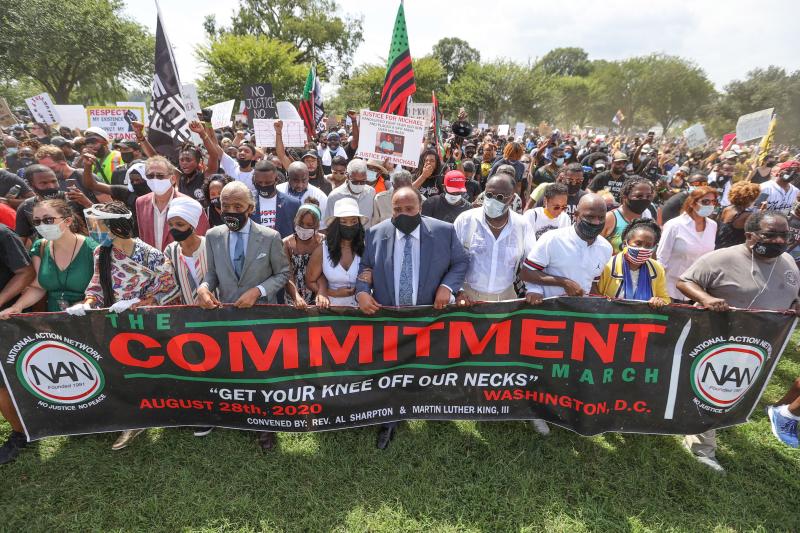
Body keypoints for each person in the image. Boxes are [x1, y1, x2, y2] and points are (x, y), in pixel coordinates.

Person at [677, 211, 800, 471]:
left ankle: (716, 422)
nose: (779, 241)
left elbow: (790, 296)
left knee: (732, 391)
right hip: (717, 342)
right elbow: (685, 281)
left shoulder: (788, 262)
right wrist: (707, 299)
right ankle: (701, 447)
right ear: (750, 236)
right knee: (710, 391)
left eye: (784, 235)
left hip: (758, 347)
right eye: (771, 235)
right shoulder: (722, 258)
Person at [355, 187, 469, 449]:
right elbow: (367, 267)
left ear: (421, 207)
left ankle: (431, 409)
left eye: (409, 209)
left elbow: (460, 262)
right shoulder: (376, 232)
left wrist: (448, 287)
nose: (403, 214)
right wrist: (362, 291)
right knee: (393, 370)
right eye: (397, 209)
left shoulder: (443, 231)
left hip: (427, 317)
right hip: (390, 316)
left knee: (427, 366)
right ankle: (390, 418)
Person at [66, 201, 179, 451]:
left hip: (143, 322)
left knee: (143, 370)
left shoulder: (148, 254)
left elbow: (169, 287)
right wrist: (87, 302)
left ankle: (142, 417)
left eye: (100, 224)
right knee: (116, 369)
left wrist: (138, 301)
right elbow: (96, 284)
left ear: (115, 226)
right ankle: (123, 417)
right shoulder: (101, 253)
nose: (95, 229)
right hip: (112, 320)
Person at [195, 181, 290, 451]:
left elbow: (282, 274)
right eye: (226, 206)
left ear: (250, 207)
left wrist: (258, 291)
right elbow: (211, 274)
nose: (231, 211)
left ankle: (266, 425)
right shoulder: (212, 236)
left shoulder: (270, 236)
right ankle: (237, 415)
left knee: (262, 372)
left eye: (238, 206)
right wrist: (203, 287)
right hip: (227, 316)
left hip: (261, 317)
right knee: (233, 368)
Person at [521, 194, 612, 435]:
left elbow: (591, 281)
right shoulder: (553, 239)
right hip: (547, 313)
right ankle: (535, 411)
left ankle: (560, 409)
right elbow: (527, 272)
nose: (594, 222)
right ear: (576, 215)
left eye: (600, 217)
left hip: (580, 317)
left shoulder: (605, 248)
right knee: (542, 365)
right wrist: (562, 282)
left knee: (567, 366)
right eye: (589, 216)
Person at [0, 198, 96, 315]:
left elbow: (104, 289)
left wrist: (85, 304)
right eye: (37, 221)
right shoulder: (40, 247)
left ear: (68, 221)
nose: (42, 225)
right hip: (56, 322)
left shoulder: (93, 249)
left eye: (48, 220)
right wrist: (17, 307)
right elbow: (38, 287)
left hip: (89, 318)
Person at [453, 174, 530, 302]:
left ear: (511, 199)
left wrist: (533, 290)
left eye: (500, 197)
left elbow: (530, 263)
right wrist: (458, 291)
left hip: (506, 300)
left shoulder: (522, 225)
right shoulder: (465, 220)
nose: (493, 200)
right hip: (468, 299)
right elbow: (450, 259)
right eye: (489, 195)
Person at [0, 223, 35, 464]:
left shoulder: (3, 234)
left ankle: (21, 433)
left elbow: (26, 273)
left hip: (5, 320)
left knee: (3, 384)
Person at [135, 156, 209, 251]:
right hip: (152, 263)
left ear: (173, 179)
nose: (155, 179)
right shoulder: (141, 202)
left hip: (181, 262)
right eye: (150, 176)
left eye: (160, 176)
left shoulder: (190, 204)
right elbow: (143, 237)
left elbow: (201, 238)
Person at [657, 186, 718, 302]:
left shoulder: (713, 226)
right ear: (692, 203)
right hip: (669, 289)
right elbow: (661, 258)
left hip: (696, 291)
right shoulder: (674, 225)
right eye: (705, 201)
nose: (710, 205)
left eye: (713, 202)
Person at [307, 198, 367, 308]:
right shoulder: (323, 250)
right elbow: (310, 281)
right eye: (344, 222)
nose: (349, 225)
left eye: (354, 221)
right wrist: (330, 293)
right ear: (336, 225)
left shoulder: (367, 247)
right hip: (331, 310)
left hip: (362, 310)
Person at [598, 218, 669, 307]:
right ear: (625, 243)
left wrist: (659, 301)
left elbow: (665, 299)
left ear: (654, 248)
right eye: (638, 243)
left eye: (648, 246)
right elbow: (597, 297)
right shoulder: (608, 266)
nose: (642, 249)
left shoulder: (657, 269)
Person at [163, 196, 208, 305]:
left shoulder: (209, 245)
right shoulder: (170, 251)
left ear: (192, 225)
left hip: (217, 312)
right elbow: (171, 285)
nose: (174, 229)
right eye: (170, 224)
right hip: (188, 316)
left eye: (180, 224)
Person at [283, 201, 324, 308]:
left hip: (319, 296)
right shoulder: (286, 243)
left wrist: (322, 292)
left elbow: (326, 273)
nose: (304, 228)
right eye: (301, 224)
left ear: (317, 225)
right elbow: (287, 274)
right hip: (293, 297)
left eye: (309, 225)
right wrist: (296, 297)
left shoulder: (324, 242)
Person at [601, 176, 656, 254]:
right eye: (639, 196)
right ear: (625, 197)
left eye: (648, 196)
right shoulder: (610, 219)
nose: (645, 199)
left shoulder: (648, 220)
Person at [250, 160, 300, 238]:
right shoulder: (247, 202)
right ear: (254, 180)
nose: (263, 186)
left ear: (276, 180)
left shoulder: (293, 204)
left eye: (268, 183)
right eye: (259, 182)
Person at [323, 159, 375, 228]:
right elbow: (329, 224)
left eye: (363, 181)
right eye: (355, 182)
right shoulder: (334, 196)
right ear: (347, 176)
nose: (359, 185)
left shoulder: (371, 193)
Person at [715, 181, 761, 249]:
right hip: (731, 250)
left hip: (717, 245)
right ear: (750, 199)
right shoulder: (747, 216)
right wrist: (762, 212)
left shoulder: (726, 209)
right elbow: (757, 232)